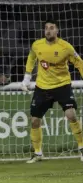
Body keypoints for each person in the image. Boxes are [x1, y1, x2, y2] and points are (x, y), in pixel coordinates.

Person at [21, 20, 83, 163]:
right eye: (46, 28)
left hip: (62, 85)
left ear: (57, 31)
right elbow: (31, 58)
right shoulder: (37, 45)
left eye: (52, 28)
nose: (48, 31)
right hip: (42, 87)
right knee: (35, 120)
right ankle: (38, 153)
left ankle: (81, 147)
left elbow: (79, 63)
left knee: (71, 115)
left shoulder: (65, 47)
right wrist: (27, 77)